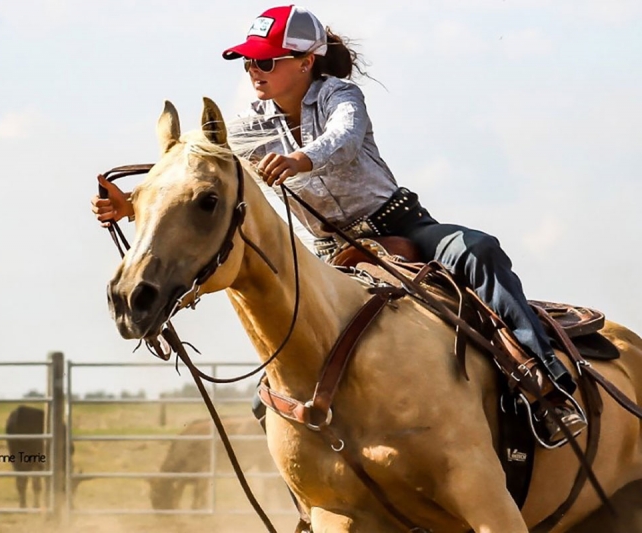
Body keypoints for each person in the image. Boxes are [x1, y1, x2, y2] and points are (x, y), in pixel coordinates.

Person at [93, 5, 586, 445]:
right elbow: (196, 179)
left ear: (306, 62)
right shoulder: (246, 126)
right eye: (248, 62)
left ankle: (546, 385)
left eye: (265, 61)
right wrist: (134, 203)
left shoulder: (339, 94)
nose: (253, 70)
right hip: (330, 256)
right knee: (274, 398)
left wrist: (302, 159)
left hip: (402, 225)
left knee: (476, 250)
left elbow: (344, 137)